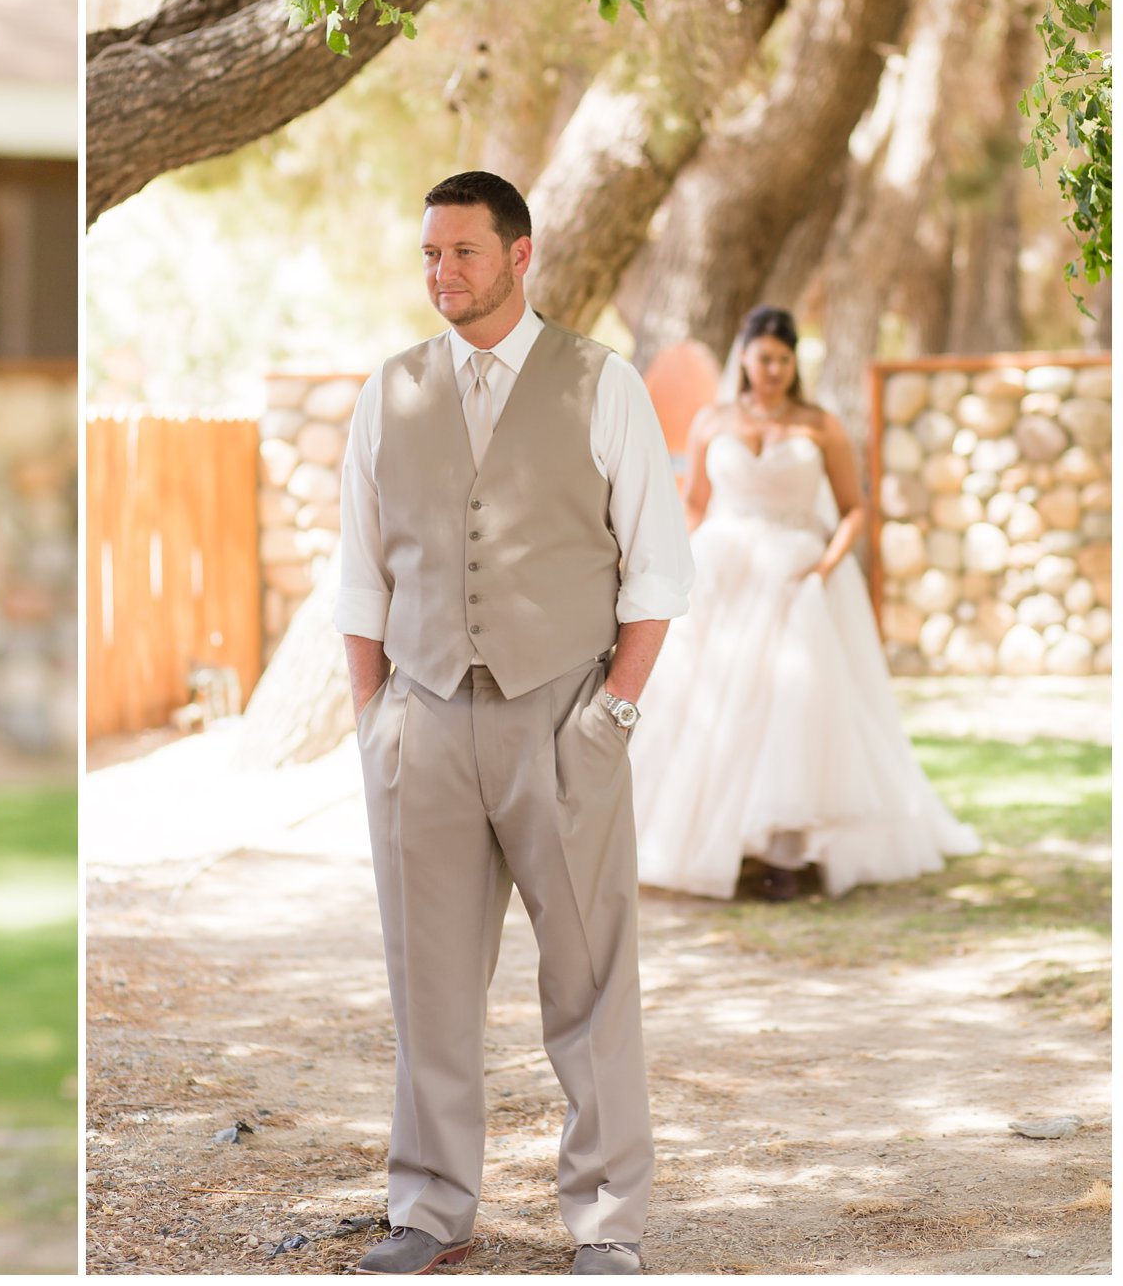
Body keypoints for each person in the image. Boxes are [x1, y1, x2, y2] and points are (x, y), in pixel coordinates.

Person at [336, 171, 692, 1277]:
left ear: (521, 254)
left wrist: (611, 715)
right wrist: (374, 721)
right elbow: (358, 578)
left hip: (562, 717)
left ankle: (605, 1223)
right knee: (427, 981)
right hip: (422, 719)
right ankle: (430, 1210)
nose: (441, 274)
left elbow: (659, 572)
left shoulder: (601, 382)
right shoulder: (385, 391)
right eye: (429, 255)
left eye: (463, 254)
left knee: (588, 981)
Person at [627, 304, 979, 901]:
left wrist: (823, 565)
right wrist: (675, 557)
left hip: (796, 575)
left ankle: (783, 850)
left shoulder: (820, 425)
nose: (773, 370)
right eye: (764, 357)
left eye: (784, 360)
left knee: (786, 704)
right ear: (744, 356)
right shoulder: (712, 421)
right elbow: (696, 503)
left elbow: (855, 508)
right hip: (721, 573)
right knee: (704, 706)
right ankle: (712, 842)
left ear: (795, 364)